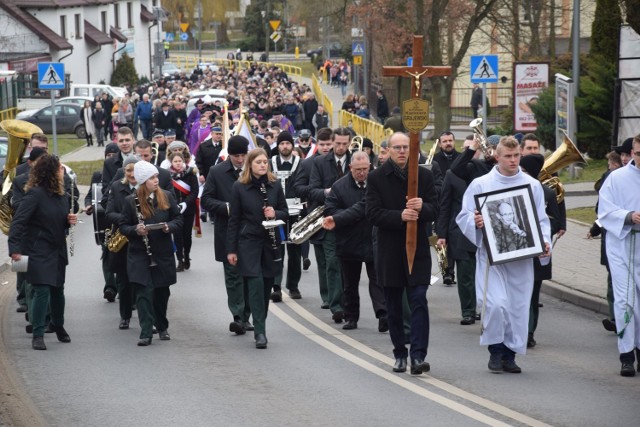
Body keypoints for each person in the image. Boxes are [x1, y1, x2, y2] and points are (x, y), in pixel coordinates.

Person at [456, 137, 551, 373]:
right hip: (492, 258)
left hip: (521, 260)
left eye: (516, 155)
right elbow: (464, 215)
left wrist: (544, 242)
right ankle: (495, 351)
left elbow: (540, 220)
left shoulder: (532, 185)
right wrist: (475, 222)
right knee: (496, 304)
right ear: (496, 157)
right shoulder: (481, 185)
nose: (512, 160)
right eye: (507, 156)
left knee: (517, 307)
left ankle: (510, 355)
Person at [365, 132, 438, 375]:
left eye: (406, 147)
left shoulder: (424, 176)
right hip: (389, 251)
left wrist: (422, 208)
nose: (402, 151)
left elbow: (436, 209)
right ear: (388, 149)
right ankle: (399, 353)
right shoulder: (376, 177)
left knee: (418, 300)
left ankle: (418, 356)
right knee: (394, 305)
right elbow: (372, 213)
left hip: (417, 251)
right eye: (397, 147)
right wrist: (399, 216)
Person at [9, 155, 78, 350]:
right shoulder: (34, 194)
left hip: (57, 249)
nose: (63, 172)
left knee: (58, 290)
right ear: (51, 173)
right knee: (41, 290)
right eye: (60, 169)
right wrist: (14, 249)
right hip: (38, 249)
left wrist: (68, 220)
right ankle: (38, 334)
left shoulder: (62, 195)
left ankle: (58, 325)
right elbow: (19, 222)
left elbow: (58, 220)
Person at [227, 148, 288, 349]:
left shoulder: (275, 185)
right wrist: (231, 249)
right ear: (250, 165)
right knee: (255, 282)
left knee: (266, 287)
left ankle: (253, 318)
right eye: (258, 162)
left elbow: (285, 212)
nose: (263, 165)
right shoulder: (239, 187)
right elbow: (234, 220)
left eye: (265, 162)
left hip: (270, 242)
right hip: (249, 241)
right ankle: (260, 332)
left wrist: (275, 213)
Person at [119, 161, 183, 346]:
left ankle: (162, 326)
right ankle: (146, 331)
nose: (157, 180)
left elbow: (178, 219)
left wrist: (168, 227)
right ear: (143, 181)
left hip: (162, 252)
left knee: (162, 292)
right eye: (152, 178)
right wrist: (135, 230)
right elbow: (123, 226)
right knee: (143, 292)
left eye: (156, 177)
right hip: (140, 253)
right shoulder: (131, 201)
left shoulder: (167, 196)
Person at [323, 151, 387, 332]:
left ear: (370, 167)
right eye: (358, 169)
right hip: (348, 241)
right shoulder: (339, 186)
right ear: (350, 168)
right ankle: (351, 317)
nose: (362, 173)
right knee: (350, 284)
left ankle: (383, 315)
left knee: (378, 281)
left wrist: (344, 216)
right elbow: (329, 212)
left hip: (374, 239)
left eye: (365, 169)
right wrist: (348, 217)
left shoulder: (377, 184)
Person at [597, 135, 640, 377]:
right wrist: (628, 216)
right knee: (625, 300)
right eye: (638, 153)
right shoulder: (617, 177)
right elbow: (604, 210)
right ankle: (626, 355)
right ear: (632, 152)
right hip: (623, 242)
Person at [201, 136, 253, 334]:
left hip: (250, 232)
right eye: (235, 156)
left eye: (243, 155)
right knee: (233, 276)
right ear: (228, 155)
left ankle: (247, 315)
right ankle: (238, 316)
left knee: (249, 275)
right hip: (227, 232)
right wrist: (227, 207)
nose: (240, 160)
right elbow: (206, 200)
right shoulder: (217, 172)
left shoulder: (253, 170)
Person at [308, 127, 352, 322]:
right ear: (332, 143)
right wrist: (327, 192)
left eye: (345, 144)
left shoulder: (357, 160)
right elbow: (311, 190)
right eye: (338, 144)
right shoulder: (319, 163)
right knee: (332, 262)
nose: (341, 147)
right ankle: (336, 306)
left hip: (352, 220)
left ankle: (350, 303)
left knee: (350, 264)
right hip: (329, 220)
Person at [436, 138, 479, 325]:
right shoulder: (451, 174)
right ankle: (468, 310)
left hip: (482, 229)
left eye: (476, 149)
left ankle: (480, 306)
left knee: (480, 272)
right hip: (459, 230)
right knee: (465, 273)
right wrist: (442, 234)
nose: (473, 153)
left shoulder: (485, 173)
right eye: (468, 149)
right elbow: (444, 206)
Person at [589, 150, 623, 333]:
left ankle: (619, 318)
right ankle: (615, 317)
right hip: (612, 238)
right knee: (613, 278)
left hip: (624, 238)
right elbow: (601, 209)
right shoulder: (611, 177)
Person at [105, 156, 139, 330]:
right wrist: (128, 221)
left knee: (142, 282)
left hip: (141, 239)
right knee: (124, 283)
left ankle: (146, 317)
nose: (132, 174)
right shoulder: (117, 187)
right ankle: (125, 316)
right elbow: (109, 213)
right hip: (123, 237)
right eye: (128, 170)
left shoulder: (146, 185)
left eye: (135, 170)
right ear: (124, 172)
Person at [269, 132, 303, 301]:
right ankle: (276, 286)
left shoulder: (300, 164)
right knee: (276, 248)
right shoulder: (270, 163)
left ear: (292, 145)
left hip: (296, 211)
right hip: (276, 212)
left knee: (295, 250)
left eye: (287, 143)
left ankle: (293, 286)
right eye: (281, 143)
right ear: (278, 146)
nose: (284, 146)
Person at [168, 152, 198, 271]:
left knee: (187, 236)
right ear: (172, 163)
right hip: (175, 210)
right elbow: (167, 192)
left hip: (188, 209)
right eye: (175, 161)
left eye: (179, 161)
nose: (178, 163)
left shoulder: (191, 174)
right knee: (177, 235)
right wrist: (174, 205)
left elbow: (194, 191)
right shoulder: (168, 175)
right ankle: (179, 260)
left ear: (183, 162)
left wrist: (185, 203)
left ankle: (187, 255)